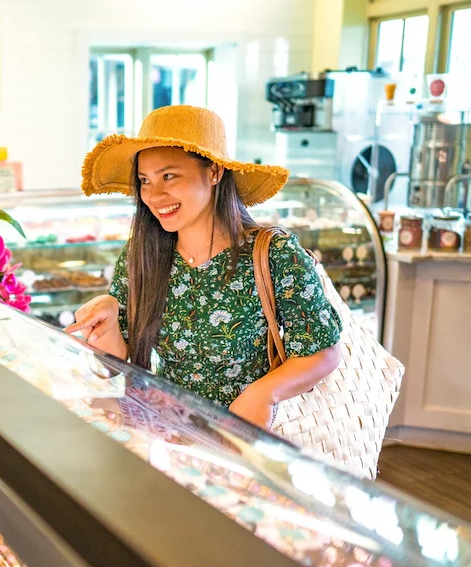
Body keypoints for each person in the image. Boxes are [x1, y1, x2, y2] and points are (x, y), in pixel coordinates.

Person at [68, 105, 343, 428]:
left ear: (214, 172)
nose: (154, 195)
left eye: (169, 176)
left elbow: (323, 351)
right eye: (144, 180)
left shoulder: (275, 253)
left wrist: (263, 394)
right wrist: (109, 320)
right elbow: (116, 362)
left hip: (243, 436)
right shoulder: (142, 254)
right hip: (165, 433)